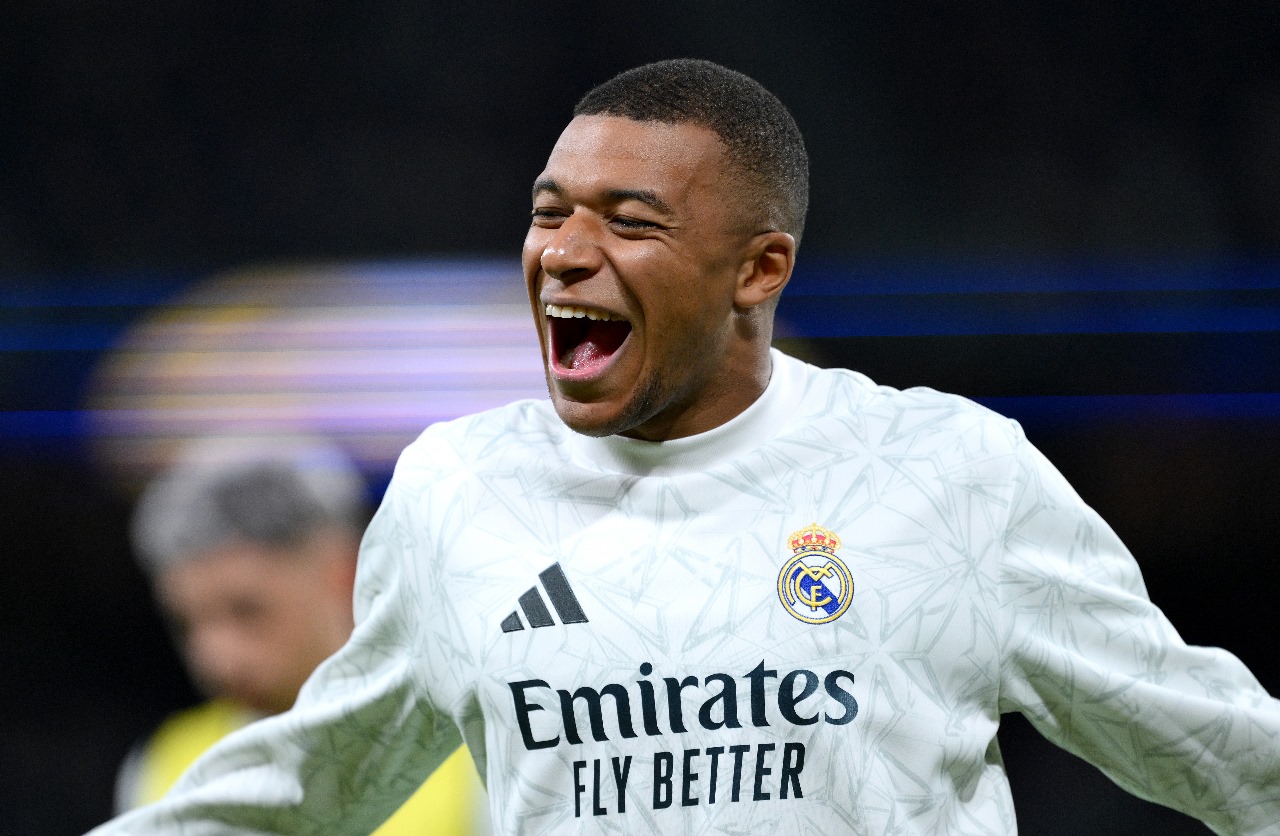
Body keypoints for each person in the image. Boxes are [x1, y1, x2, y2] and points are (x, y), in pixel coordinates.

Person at [91, 59, 1278, 835]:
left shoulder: (945, 472)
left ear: (757, 269)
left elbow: (1211, 740)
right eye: (550, 209)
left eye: (627, 220)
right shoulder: (459, 489)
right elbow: (312, 775)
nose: (562, 249)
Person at [110, 437, 487, 835]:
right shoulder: (164, 767)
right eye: (189, 622)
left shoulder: (473, 735)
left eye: (247, 610)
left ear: (345, 575)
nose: (215, 656)